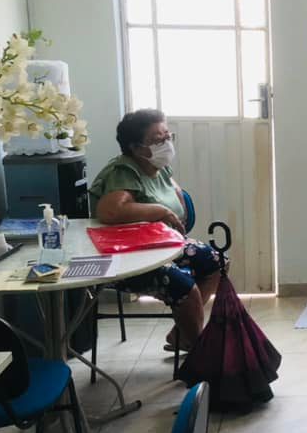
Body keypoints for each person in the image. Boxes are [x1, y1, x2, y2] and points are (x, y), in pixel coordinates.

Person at [89, 109, 223, 350]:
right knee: (184, 287)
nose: (167, 144)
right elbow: (110, 211)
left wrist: (173, 215)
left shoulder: (157, 166)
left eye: (168, 136)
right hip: (130, 256)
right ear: (136, 148)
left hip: (161, 245)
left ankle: (182, 335)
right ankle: (200, 352)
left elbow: (176, 198)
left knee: (217, 263)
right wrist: (161, 211)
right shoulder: (124, 172)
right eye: (158, 140)